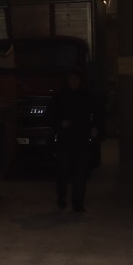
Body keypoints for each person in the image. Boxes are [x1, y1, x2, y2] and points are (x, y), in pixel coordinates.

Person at [48, 69, 101, 212]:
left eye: (76, 80)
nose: (73, 82)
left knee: (80, 172)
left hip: (81, 139)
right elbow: (51, 115)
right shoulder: (59, 97)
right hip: (65, 140)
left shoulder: (87, 97)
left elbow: (96, 113)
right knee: (63, 171)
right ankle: (62, 197)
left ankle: (78, 203)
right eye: (71, 79)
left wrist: (94, 127)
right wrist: (60, 124)